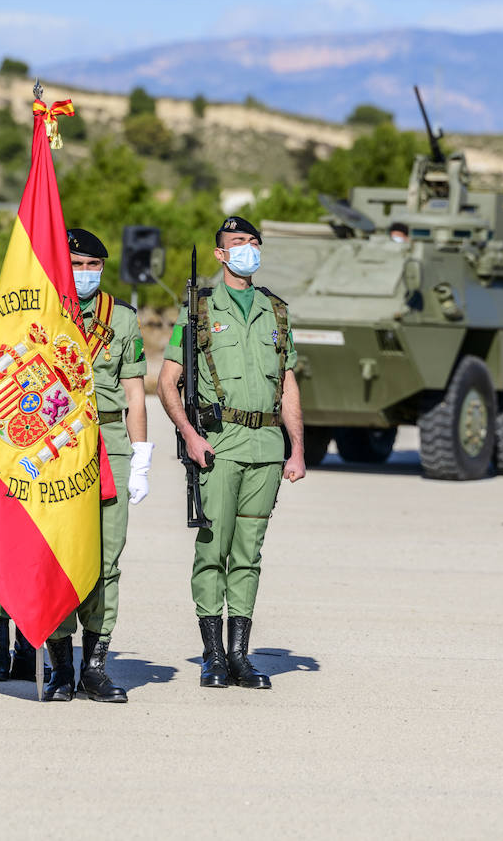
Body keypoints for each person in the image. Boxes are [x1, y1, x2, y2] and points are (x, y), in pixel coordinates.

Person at [0, 228, 151, 702]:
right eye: (74, 265)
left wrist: (141, 455)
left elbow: (136, 392)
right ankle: (60, 666)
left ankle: (94, 667)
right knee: (53, 555)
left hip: (108, 445)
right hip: (49, 451)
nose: (84, 274)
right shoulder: (30, 317)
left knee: (104, 561)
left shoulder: (119, 320)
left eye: (92, 265)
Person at [157, 215, 305, 690]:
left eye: (254, 242)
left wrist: (297, 448)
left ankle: (240, 656)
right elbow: (168, 382)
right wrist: (189, 435)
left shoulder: (276, 311)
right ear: (221, 254)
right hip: (218, 447)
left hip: (265, 445)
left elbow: (287, 381)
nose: (249, 248)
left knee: (249, 553)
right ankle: (213, 656)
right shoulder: (199, 311)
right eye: (239, 242)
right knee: (212, 550)